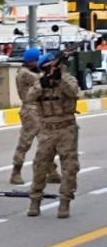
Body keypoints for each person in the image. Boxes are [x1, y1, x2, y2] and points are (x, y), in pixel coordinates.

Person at [26, 53, 80, 218]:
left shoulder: (67, 79)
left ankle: (64, 203)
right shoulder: (40, 83)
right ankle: (35, 201)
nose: (49, 71)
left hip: (66, 129)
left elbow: (74, 92)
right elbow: (29, 97)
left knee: (69, 168)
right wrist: (43, 84)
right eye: (45, 68)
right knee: (40, 167)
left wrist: (59, 78)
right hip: (47, 130)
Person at [10, 49, 60, 185]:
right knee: (25, 143)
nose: (38, 62)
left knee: (47, 142)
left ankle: (52, 171)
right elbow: (44, 81)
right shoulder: (24, 73)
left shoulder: (32, 71)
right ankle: (16, 172)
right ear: (31, 60)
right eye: (37, 60)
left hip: (40, 109)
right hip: (30, 110)